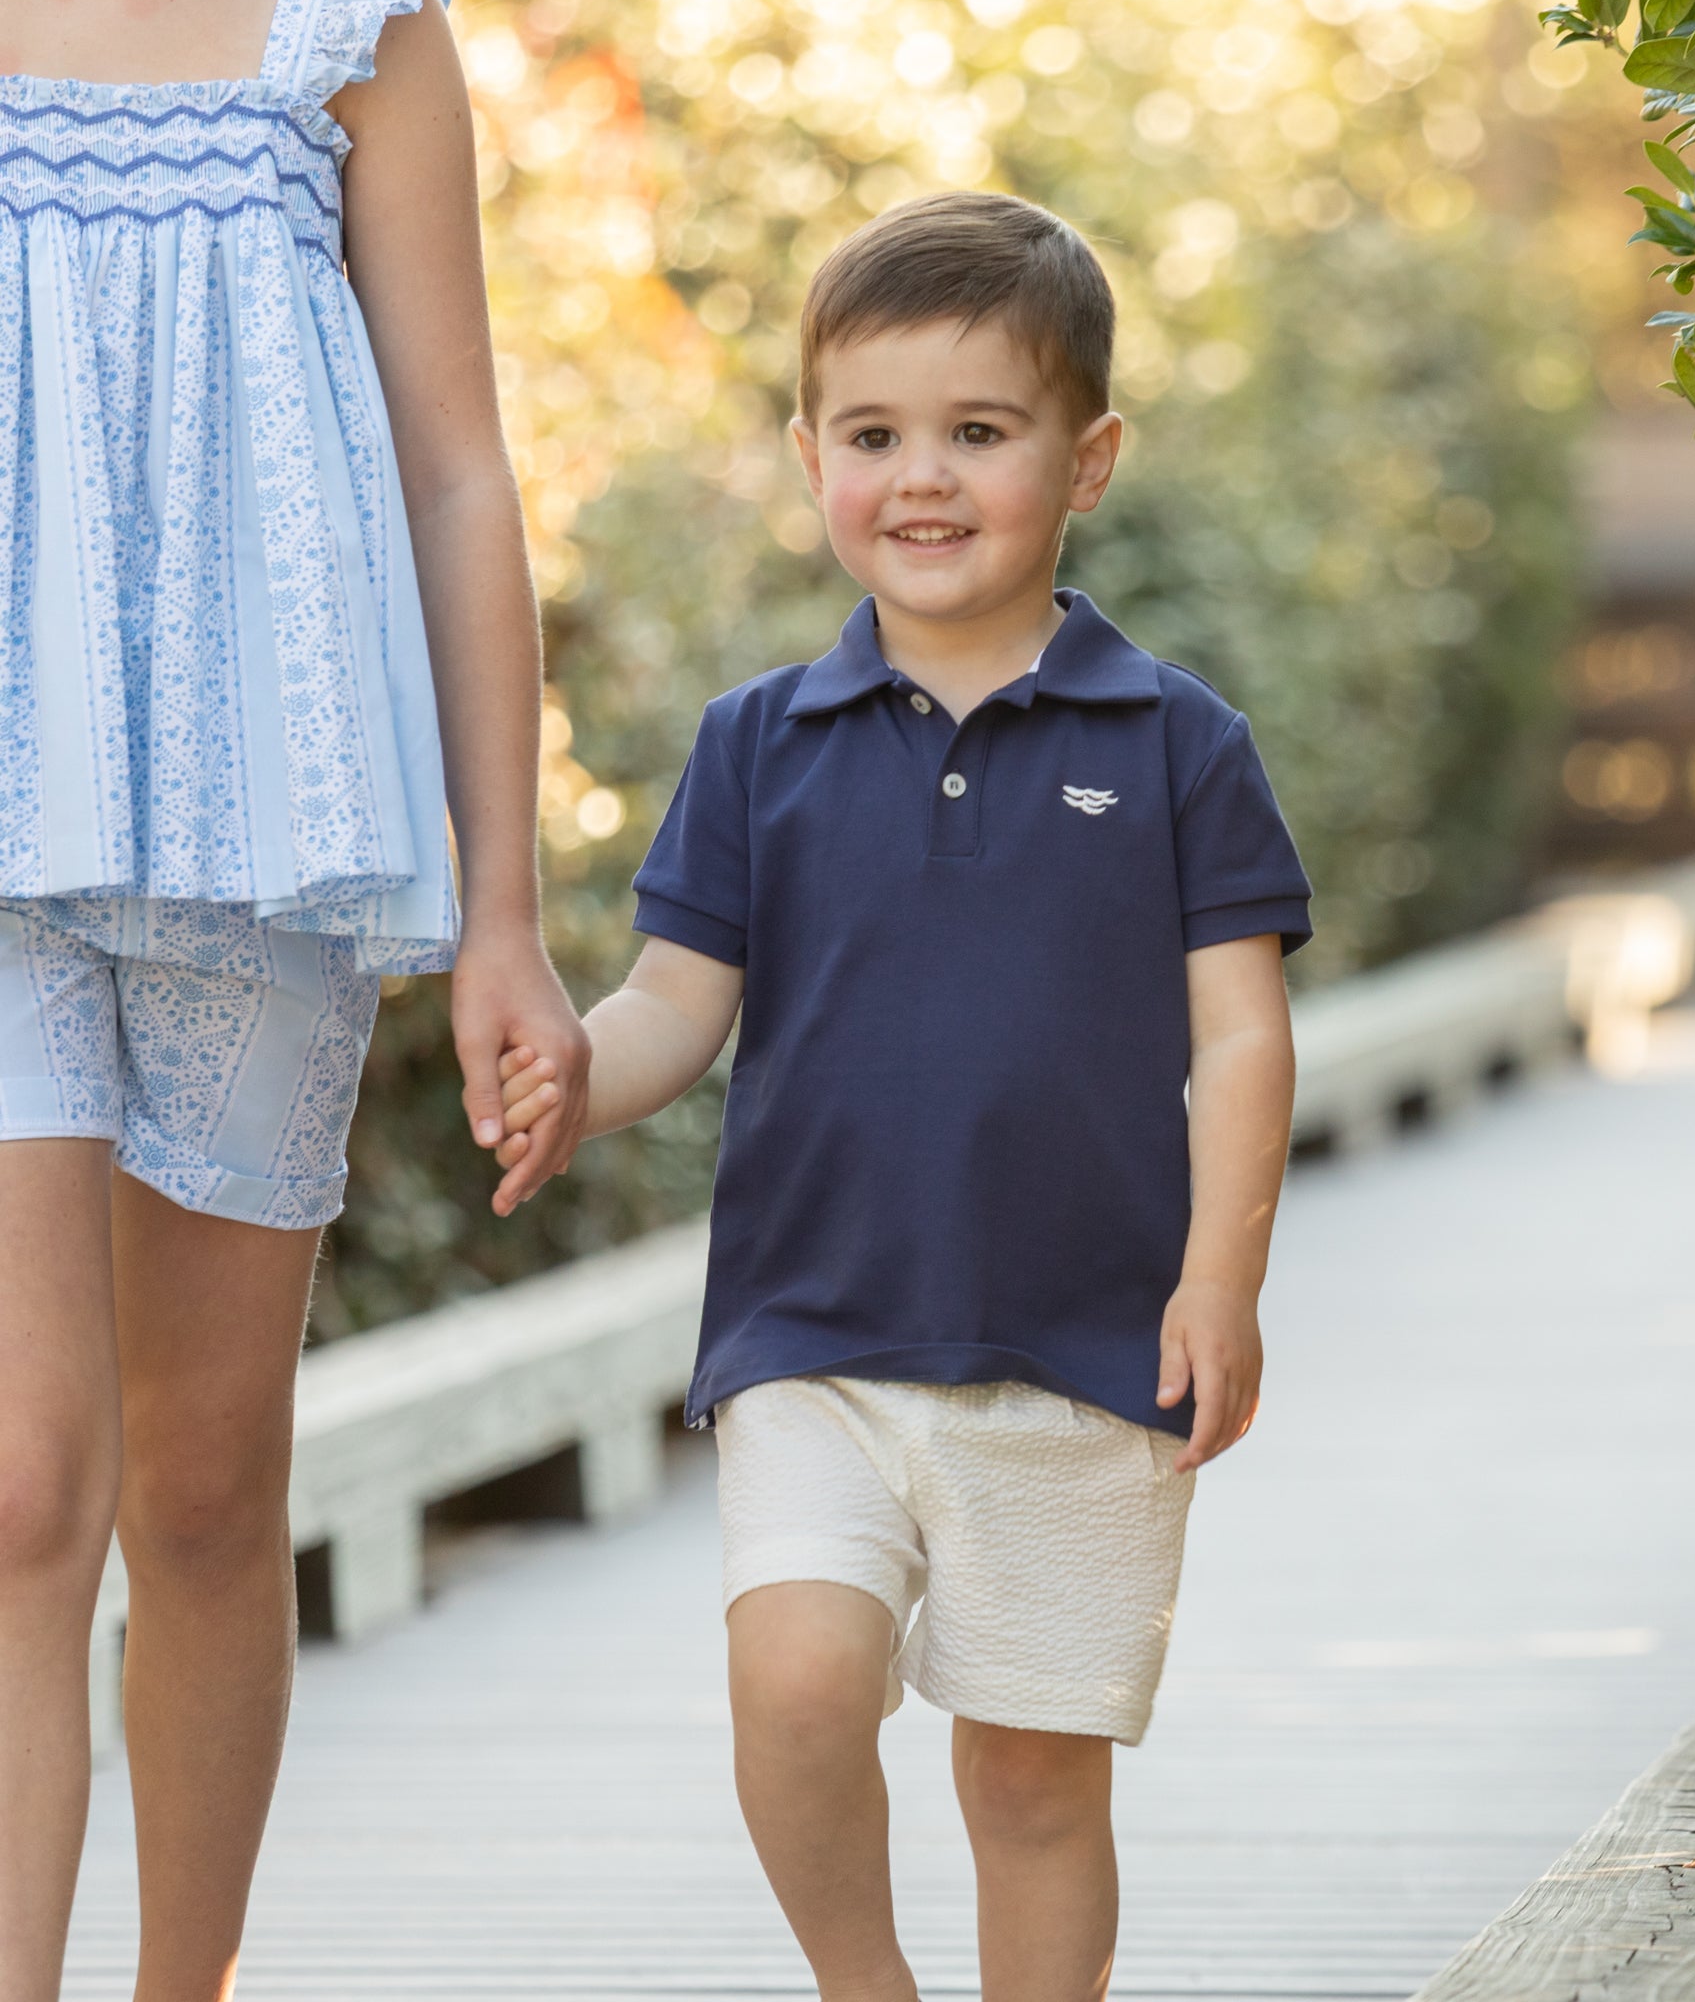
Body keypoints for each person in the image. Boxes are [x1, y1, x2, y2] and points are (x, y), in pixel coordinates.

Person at [491, 190, 1309, 2000]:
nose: (920, 481)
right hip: (818, 1334)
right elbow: (670, 1006)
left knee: (1030, 1779)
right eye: (872, 437)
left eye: (979, 433)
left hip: (1090, 1352)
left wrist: (1221, 1278)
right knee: (793, 1686)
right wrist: (572, 1075)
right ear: (809, 458)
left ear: (1087, 459)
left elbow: (1244, 1037)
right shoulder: (755, 743)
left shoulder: (1177, 742)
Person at [0, 0, 589, 1994]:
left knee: (203, 1479)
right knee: (19, 1482)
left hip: (267, 809)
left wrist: (500, 911)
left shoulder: (356, 13)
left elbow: (456, 466)